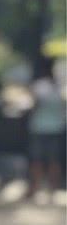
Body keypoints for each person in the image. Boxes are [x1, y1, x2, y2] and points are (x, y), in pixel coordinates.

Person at [28, 56, 66, 198]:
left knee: (37, 159)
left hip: (39, 127)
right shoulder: (58, 86)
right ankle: (52, 189)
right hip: (56, 127)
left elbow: (34, 106)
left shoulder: (39, 86)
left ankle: (36, 187)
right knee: (54, 160)